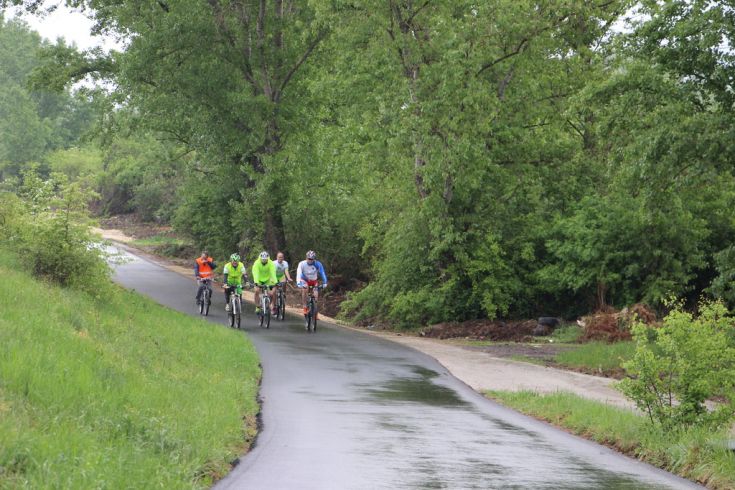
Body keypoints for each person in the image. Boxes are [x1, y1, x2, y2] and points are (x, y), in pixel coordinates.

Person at [296, 250, 327, 317]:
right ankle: (304, 307)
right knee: (305, 289)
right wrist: (298, 282)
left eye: (312, 259)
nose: (310, 260)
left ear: (314, 259)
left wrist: (325, 282)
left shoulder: (318, 264)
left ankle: (315, 312)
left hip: (313, 281)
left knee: (316, 296)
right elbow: (299, 273)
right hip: (304, 280)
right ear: (306, 258)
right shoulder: (302, 264)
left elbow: (322, 273)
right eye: (309, 259)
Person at [252, 251, 277, 315]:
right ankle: (257, 306)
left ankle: (267, 305)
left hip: (267, 280)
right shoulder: (256, 263)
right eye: (263, 259)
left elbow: (273, 273)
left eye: (265, 259)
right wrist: (256, 282)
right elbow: (256, 273)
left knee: (271, 294)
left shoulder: (271, 263)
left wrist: (275, 282)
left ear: (267, 259)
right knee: (257, 291)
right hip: (258, 280)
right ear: (260, 258)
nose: (264, 261)